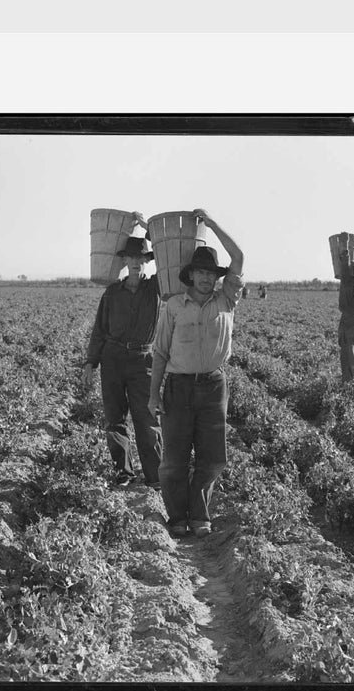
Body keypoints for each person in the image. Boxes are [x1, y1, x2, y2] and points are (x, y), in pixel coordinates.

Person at [148, 213, 245, 538]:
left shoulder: (226, 300)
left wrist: (213, 224)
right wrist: (153, 394)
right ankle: (177, 517)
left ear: (217, 277)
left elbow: (239, 257)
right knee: (174, 457)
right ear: (191, 275)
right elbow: (160, 352)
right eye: (200, 272)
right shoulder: (175, 305)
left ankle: (199, 514)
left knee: (213, 455)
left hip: (213, 385)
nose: (206, 278)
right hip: (177, 386)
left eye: (210, 273)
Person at [83, 225, 163, 487]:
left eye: (142, 258)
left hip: (143, 361)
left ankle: (155, 476)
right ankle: (124, 473)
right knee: (115, 419)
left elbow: (169, 259)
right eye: (132, 258)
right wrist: (90, 362)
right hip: (113, 359)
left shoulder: (156, 289)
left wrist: (151, 231)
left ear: (147, 262)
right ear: (125, 261)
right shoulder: (112, 293)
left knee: (147, 418)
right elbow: (100, 329)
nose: (137, 263)